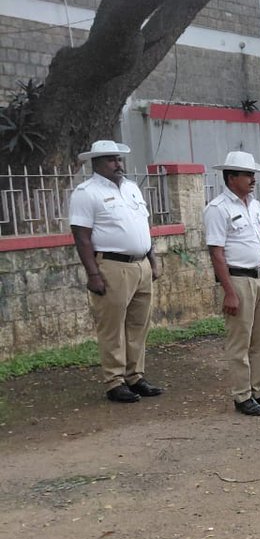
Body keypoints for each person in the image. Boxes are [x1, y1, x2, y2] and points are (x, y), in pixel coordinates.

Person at [68, 139, 164, 403]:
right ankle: (114, 380)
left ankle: (135, 375)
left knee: (138, 324)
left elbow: (144, 227)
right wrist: (93, 274)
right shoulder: (86, 193)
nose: (118, 164)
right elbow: (82, 236)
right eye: (111, 159)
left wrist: (152, 260)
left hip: (140, 264)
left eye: (119, 159)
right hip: (112, 266)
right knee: (111, 326)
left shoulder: (132, 188)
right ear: (96, 163)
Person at [203, 150, 260, 415]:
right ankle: (242, 395)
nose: (253, 179)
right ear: (231, 178)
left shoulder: (255, 205)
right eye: (248, 175)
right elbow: (216, 253)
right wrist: (228, 291)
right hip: (239, 280)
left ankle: (259, 390)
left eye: (253, 174)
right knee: (240, 339)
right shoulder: (218, 209)